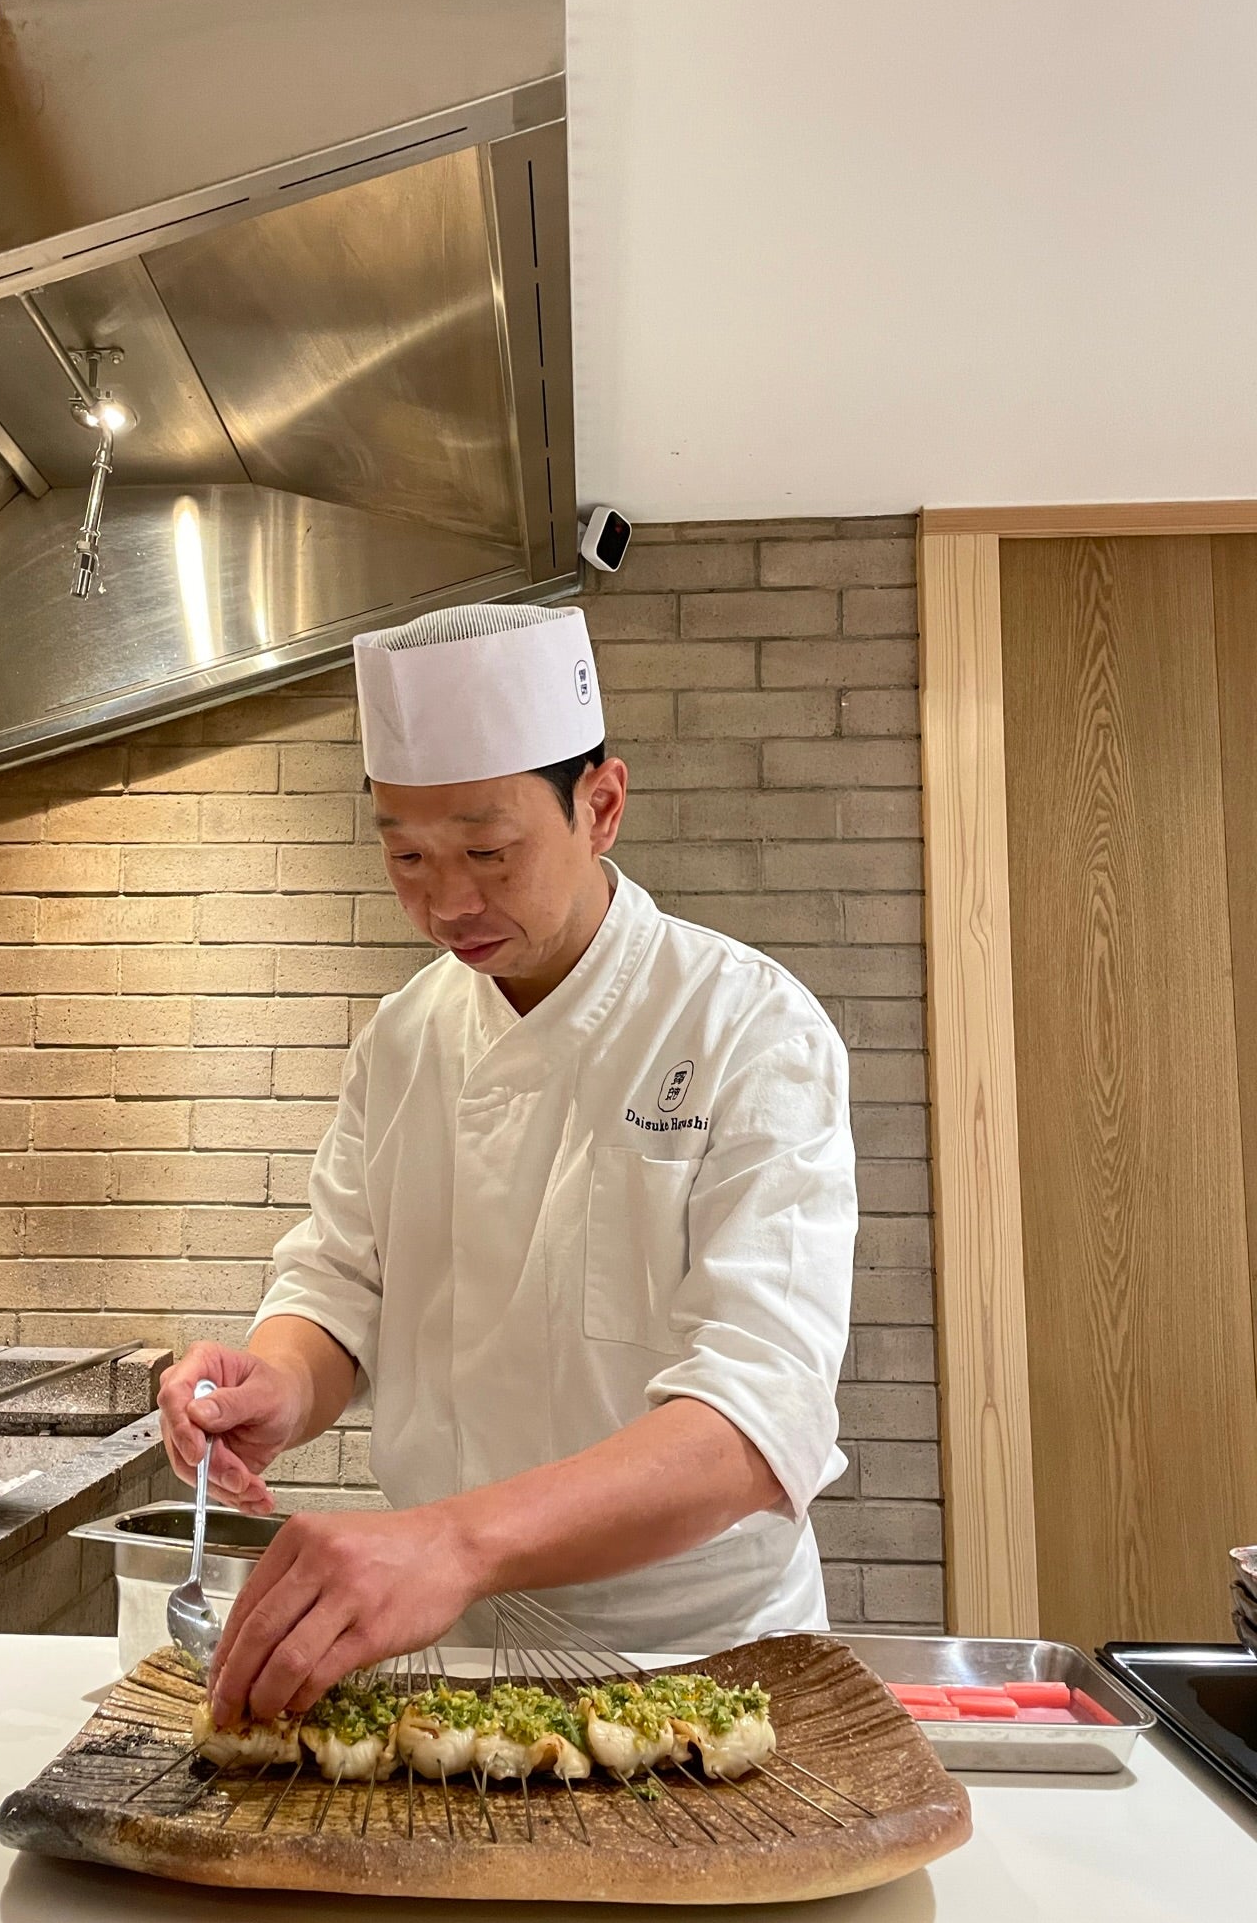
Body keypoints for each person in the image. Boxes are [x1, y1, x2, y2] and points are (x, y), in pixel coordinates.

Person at [158, 602, 856, 1726]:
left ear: (603, 806)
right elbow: (341, 1282)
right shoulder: (403, 1037)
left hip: (695, 1657)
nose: (447, 903)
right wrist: (282, 1381)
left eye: (489, 851)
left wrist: (449, 1542)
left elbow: (756, 1415)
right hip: (448, 1658)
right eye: (408, 857)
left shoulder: (747, 1027)